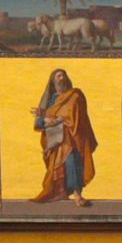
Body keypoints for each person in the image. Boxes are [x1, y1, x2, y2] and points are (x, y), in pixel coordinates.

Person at [31, 69, 98, 206]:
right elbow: (38, 122)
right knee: (58, 167)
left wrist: (59, 118)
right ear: (53, 81)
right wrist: (45, 120)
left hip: (72, 136)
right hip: (54, 139)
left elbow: (77, 114)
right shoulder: (50, 100)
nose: (61, 78)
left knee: (72, 161)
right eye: (58, 76)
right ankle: (60, 192)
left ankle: (77, 195)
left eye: (63, 76)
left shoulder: (75, 95)